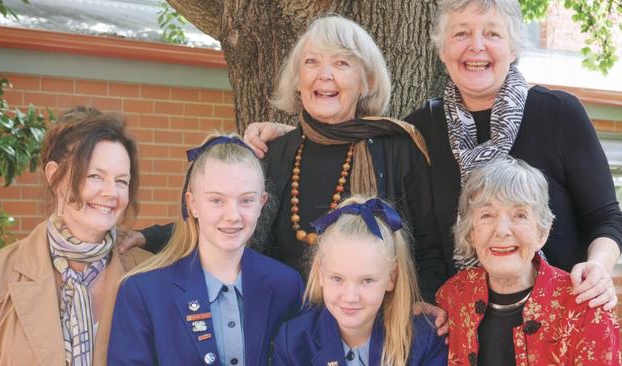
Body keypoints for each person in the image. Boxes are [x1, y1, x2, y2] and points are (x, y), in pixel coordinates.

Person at [244, 0, 622, 310]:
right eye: (461, 34)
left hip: (560, 310)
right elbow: (355, 133)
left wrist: (600, 267)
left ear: (514, 48)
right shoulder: (423, 127)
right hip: (466, 320)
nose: (476, 46)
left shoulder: (558, 114)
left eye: (491, 33)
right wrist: (289, 135)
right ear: (442, 50)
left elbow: (605, 217)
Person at [121, 15, 447, 305]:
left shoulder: (399, 150)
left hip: (375, 332)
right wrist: (148, 236)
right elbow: (224, 222)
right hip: (284, 332)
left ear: (368, 82)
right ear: (297, 79)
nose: (325, 75)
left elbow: (429, 250)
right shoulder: (273, 153)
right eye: (312, 62)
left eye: (342, 64)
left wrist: (427, 306)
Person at [0, 106, 151, 365]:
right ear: (55, 177)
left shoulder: (148, 274)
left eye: (122, 181)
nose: (112, 193)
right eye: (94, 176)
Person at [107, 136, 303, 366]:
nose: (233, 215)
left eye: (246, 200)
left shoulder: (287, 285)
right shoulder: (143, 292)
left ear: (262, 203)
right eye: (217, 200)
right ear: (192, 204)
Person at [437, 157, 621, 366]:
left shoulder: (585, 305)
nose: (502, 230)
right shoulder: (453, 297)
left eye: (520, 215)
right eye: (487, 214)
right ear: (471, 233)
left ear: (542, 231)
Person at [273, 196, 447, 366]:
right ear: (320, 273)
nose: (350, 297)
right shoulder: (294, 344)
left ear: (391, 278)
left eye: (367, 280)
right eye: (337, 278)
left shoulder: (425, 339)